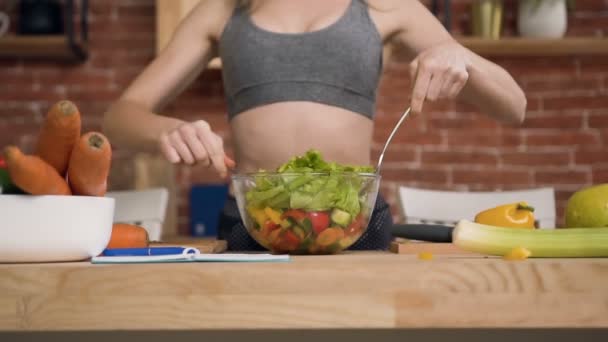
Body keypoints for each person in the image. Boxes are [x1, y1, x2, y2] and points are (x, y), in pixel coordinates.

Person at [102, 0, 527, 251]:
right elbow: (121, 115)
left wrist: (460, 55)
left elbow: (514, 105)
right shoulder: (223, 10)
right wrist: (165, 131)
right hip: (254, 224)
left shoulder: (385, 5)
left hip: (355, 223)